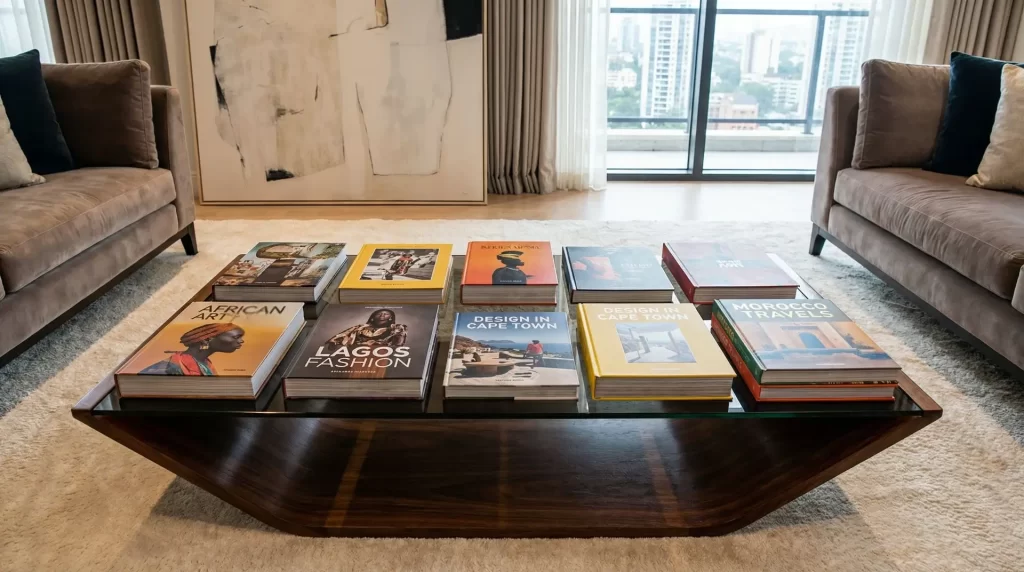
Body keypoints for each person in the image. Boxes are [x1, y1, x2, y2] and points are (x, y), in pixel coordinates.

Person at [140, 323, 246, 376]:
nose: (241, 341)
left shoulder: (206, 364)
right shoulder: (165, 369)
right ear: (207, 340)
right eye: (236, 337)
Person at [327, 308, 408, 348]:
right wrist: (334, 342)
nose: (382, 315)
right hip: (356, 352)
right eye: (379, 313)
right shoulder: (360, 327)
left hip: (381, 354)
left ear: (390, 318)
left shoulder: (397, 328)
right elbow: (345, 334)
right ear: (373, 317)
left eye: (386, 314)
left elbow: (398, 344)